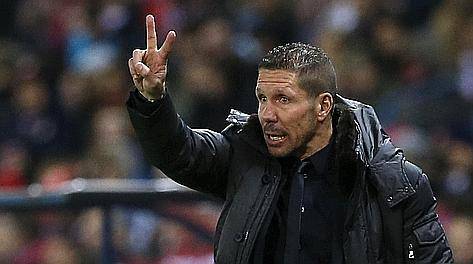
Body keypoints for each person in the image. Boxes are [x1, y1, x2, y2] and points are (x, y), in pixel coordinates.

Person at [126, 15, 453, 264]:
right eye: (261, 98)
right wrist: (153, 101)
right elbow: (179, 152)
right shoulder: (246, 153)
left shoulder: (393, 183)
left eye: (282, 99)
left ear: (323, 105)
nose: (267, 113)